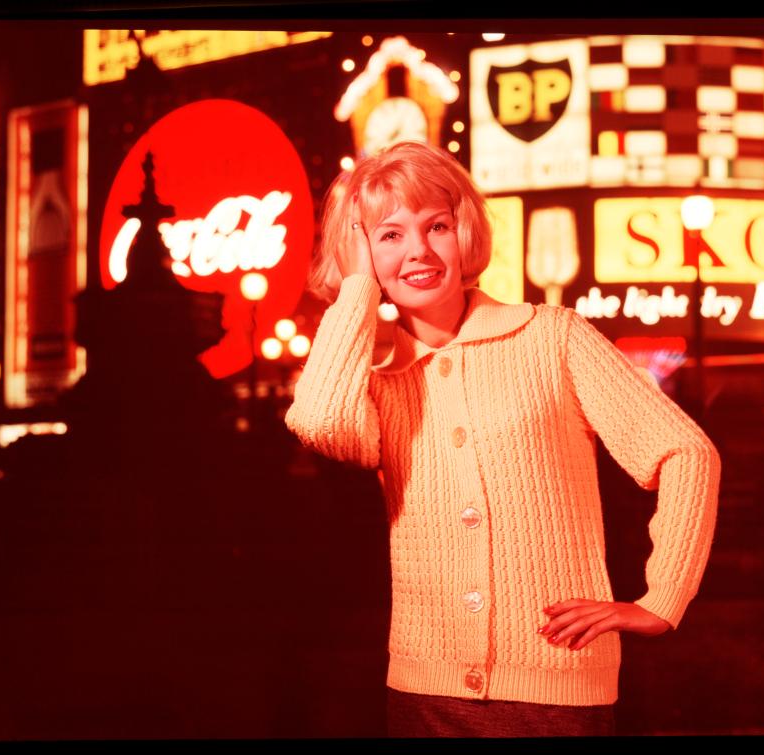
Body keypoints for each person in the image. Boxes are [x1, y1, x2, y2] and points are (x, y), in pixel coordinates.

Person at [284, 140, 721, 737]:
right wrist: (359, 288)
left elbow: (686, 453)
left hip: (559, 693)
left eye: (436, 226)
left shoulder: (552, 337)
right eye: (388, 235)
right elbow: (319, 420)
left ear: (462, 231)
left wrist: (661, 598)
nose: (419, 251)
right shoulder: (381, 386)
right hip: (423, 696)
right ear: (361, 251)